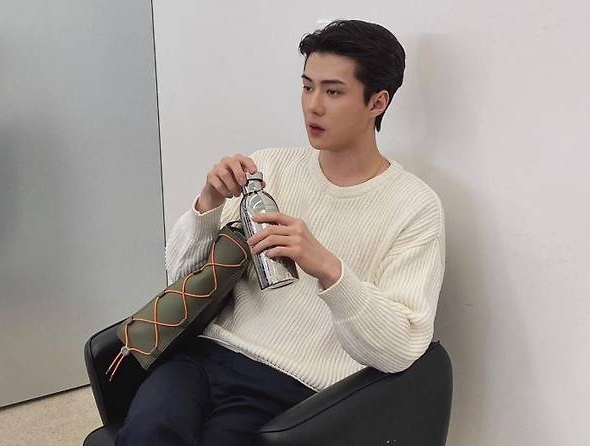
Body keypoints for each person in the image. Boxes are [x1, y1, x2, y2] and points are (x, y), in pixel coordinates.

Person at [117, 19, 445, 445]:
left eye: (333, 92)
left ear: (377, 102)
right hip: (203, 356)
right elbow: (180, 275)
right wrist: (207, 204)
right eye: (307, 87)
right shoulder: (269, 167)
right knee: (148, 432)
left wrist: (328, 269)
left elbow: (401, 346)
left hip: (290, 384)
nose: (313, 106)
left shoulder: (414, 207)